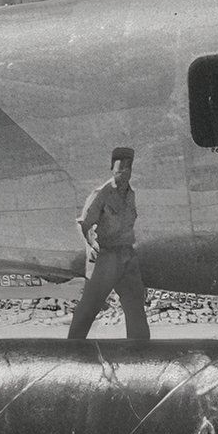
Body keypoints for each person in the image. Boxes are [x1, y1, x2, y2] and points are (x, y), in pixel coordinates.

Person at [65, 144, 150, 344]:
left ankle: (140, 352)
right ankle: (72, 349)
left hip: (127, 256)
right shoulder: (101, 193)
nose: (123, 174)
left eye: (127, 169)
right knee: (90, 306)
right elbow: (84, 224)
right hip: (106, 257)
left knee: (135, 306)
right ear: (113, 169)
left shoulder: (131, 194)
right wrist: (90, 245)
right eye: (119, 169)